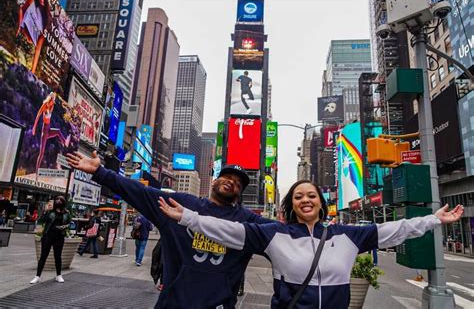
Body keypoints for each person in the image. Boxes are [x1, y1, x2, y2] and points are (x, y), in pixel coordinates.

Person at [158, 180, 464, 308]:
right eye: (298, 196)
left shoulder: (346, 235)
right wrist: (188, 217)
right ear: (292, 204)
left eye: (312, 195)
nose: (305, 200)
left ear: (321, 202)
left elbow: (394, 230)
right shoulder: (273, 234)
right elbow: (228, 230)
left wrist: (434, 219)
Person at [66, 151, 274, 308]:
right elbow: (141, 192)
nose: (232, 182)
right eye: (227, 177)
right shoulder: (181, 203)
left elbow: (285, 234)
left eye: (238, 183)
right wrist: (100, 172)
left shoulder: (248, 221)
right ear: (214, 181)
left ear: (239, 194)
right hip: (173, 303)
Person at [30, 196, 71, 284]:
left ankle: (59, 275)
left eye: (61, 200)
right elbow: (41, 221)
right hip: (48, 236)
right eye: (57, 200)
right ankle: (37, 276)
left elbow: (69, 223)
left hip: (59, 237)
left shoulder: (67, 213)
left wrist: (65, 227)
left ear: (63, 202)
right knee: (43, 256)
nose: (58, 201)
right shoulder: (49, 212)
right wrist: (45, 211)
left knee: (58, 256)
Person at [32, 92, 71, 174]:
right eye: (53, 99)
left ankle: (65, 142)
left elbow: (50, 114)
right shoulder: (45, 105)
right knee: (41, 153)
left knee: (58, 131)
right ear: (51, 99)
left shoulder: (52, 106)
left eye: (54, 100)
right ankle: (36, 172)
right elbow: (38, 115)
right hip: (44, 131)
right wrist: (34, 127)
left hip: (49, 129)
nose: (54, 101)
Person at [16, 0, 50, 73]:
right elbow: (21, 9)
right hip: (22, 39)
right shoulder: (31, 1)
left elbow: (38, 48)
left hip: (31, 49)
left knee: (26, 77)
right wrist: (19, 26)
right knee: (20, 68)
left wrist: (33, 71)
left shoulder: (45, 22)